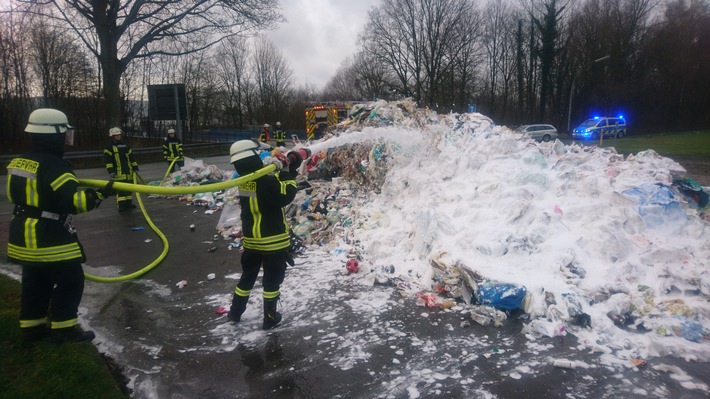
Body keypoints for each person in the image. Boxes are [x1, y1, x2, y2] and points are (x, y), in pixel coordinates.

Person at [6, 108, 114, 346]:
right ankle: (65, 328)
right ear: (52, 134)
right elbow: (72, 202)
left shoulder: (19, 161)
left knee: (36, 281)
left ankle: (32, 328)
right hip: (47, 236)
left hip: (22, 234)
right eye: (64, 133)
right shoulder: (54, 166)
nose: (66, 138)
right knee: (71, 279)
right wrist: (100, 194)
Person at [227, 140, 303, 330]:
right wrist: (286, 173)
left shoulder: (245, 182)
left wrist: (279, 171)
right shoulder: (266, 181)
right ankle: (270, 317)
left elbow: (264, 193)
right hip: (272, 241)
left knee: (247, 277)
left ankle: (235, 312)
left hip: (252, 241)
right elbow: (285, 196)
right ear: (253, 157)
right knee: (272, 281)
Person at [103, 127, 139, 212]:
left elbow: (131, 157)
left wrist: (135, 166)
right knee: (121, 190)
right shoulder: (109, 147)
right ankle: (122, 205)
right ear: (112, 137)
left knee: (129, 189)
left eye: (119, 135)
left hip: (128, 172)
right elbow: (108, 161)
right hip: (118, 173)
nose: (118, 137)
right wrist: (111, 171)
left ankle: (129, 203)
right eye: (116, 136)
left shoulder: (125, 146)